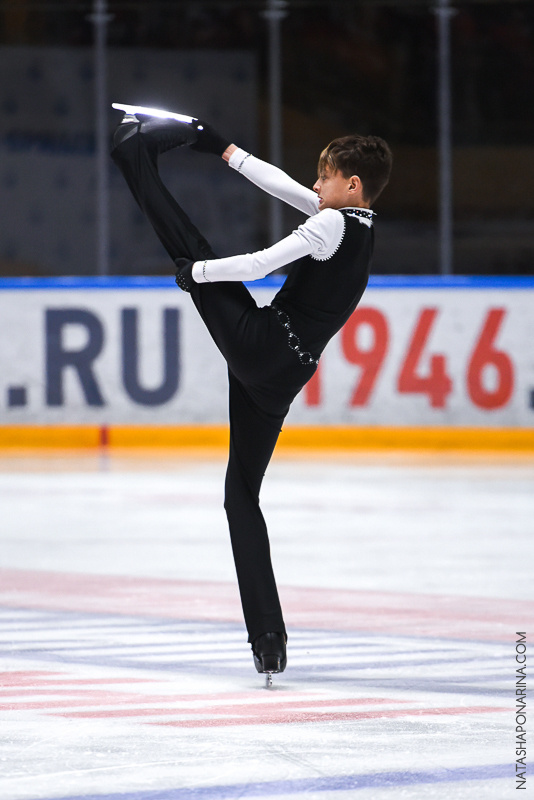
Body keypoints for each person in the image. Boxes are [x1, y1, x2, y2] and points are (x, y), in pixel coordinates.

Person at [111, 107, 392, 680]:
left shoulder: (331, 225)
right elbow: (281, 184)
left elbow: (263, 265)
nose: (315, 186)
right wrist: (222, 148)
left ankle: (133, 158)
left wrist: (200, 276)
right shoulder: (357, 227)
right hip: (282, 375)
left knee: (192, 247)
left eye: (325, 177)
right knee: (241, 498)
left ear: (352, 184)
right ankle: (268, 639)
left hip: (263, 345)